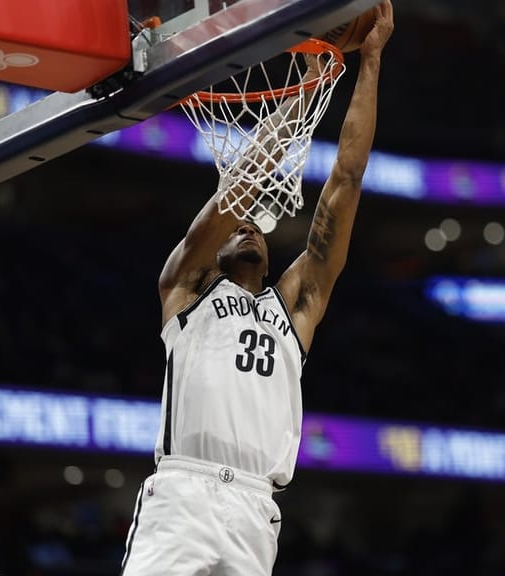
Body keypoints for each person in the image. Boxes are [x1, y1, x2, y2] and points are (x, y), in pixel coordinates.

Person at [119, 2, 393, 575]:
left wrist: (368, 62)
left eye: (258, 227)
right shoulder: (186, 289)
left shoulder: (295, 306)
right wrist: (305, 91)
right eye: (239, 223)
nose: (247, 226)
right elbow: (237, 190)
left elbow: (347, 178)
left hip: (255, 507)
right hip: (182, 495)